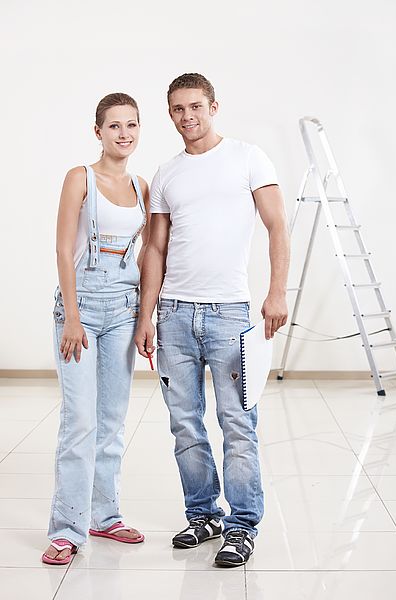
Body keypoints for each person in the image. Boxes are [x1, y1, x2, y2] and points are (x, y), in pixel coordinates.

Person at [135, 73, 290, 567]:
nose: (187, 117)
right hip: (175, 317)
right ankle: (203, 515)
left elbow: (276, 226)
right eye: (178, 110)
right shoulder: (166, 174)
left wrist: (277, 292)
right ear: (171, 115)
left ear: (213, 106)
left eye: (195, 107)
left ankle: (242, 526)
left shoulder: (248, 157)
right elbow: (155, 248)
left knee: (238, 424)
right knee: (185, 424)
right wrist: (147, 316)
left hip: (231, 315)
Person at [42, 93, 149, 565]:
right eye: (113, 126)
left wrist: (147, 315)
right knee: (80, 421)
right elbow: (65, 251)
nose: (123, 134)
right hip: (81, 307)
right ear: (98, 131)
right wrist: (72, 316)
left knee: (111, 420)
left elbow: (147, 257)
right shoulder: (79, 178)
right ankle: (67, 529)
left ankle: (104, 517)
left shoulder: (143, 187)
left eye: (131, 125)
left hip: (124, 310)